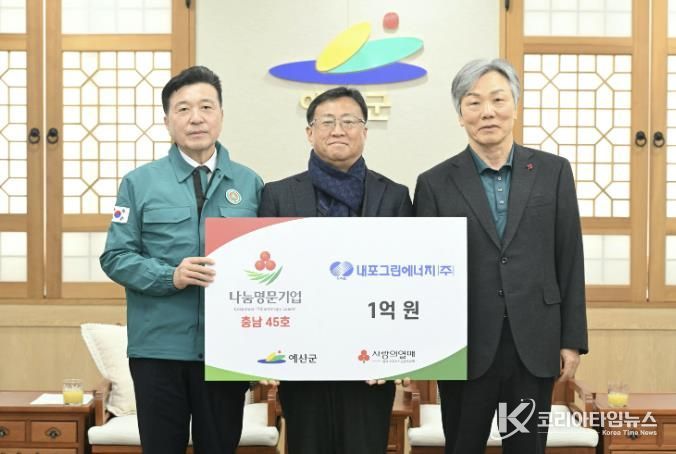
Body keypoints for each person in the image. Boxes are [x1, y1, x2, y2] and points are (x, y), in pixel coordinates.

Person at [413, 59, 588, 454]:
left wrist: (572, 340)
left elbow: (570, 258)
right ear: (460, 114)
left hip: (534, 343)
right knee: (463, 446)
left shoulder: (553, 172)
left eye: (498, 99)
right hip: (464, 348)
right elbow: (424, 274)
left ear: (515, 105)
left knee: (526, 447)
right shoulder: (434, 183)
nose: (487, 112)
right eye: (474, 102)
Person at [100, 65, 262, 454]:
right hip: (158, 349)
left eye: (206, 107)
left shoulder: (250, 184)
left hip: (227, 350)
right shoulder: (139, 183)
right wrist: (169, 276)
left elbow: (267, 263)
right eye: (183, 109)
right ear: (167, 121)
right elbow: (115, 256)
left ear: (221, 115)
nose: (196, 118)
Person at [258, 86, 412, 454]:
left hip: (370, 366)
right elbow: (265, 281)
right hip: (301, 360)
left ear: (365, 131)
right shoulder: (278, 195)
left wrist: (399, 352)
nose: (338, 130)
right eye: (327, 122)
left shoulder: (394, 196)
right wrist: (264, 349)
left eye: (348, 121)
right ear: (309, 132)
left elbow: (407, 280)